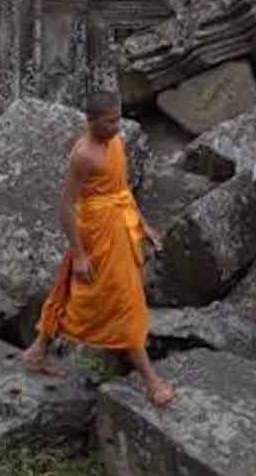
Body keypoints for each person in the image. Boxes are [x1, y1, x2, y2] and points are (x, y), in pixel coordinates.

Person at [22, 90, 175, 407]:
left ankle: (38, 350)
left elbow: (121, 189)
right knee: (125, 301)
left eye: (118, 119)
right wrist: (79, 254)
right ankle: (151, 380)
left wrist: (143, 224)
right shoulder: (83, 155)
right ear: (91, 121)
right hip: (95, 231)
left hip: (119, 225)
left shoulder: (116, 141)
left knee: (76, 291)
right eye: (109, 122)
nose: (117, 127)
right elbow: (66, 207)